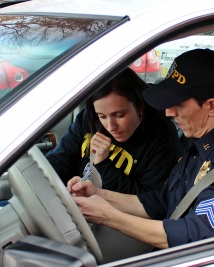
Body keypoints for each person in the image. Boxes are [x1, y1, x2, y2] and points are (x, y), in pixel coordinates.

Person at [68, 49, 214, 249]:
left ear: (212, 107)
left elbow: (197, 237)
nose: (168, 112)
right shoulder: (199, 143)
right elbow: (162, 202)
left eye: (178, 104)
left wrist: (108, 216)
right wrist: (100, 194)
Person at [46, 68, 182, 195]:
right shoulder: (88, 118)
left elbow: (149, 200)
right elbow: (59, 161)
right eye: (102, 116)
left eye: (119, 115)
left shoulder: (162, 137)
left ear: (140, 106)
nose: (110, 127)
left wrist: (104, 165)